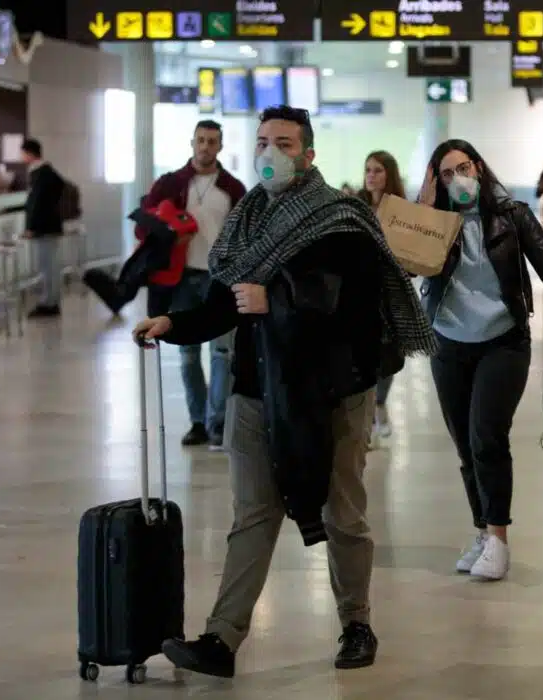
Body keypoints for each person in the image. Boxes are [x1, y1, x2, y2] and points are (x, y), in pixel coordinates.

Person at [133, 105, 436, 677]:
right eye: (263, 141)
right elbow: (226, 303)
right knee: (252, 513)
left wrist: (277, 301)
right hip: (257, 386)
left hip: (332, 391)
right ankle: (221, 640)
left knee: (343, 513)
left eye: (285, 143)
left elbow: (357, 310)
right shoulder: (248, 220)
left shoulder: (342, 220)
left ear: (309, 154)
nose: (271, 152)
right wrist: (173, 323)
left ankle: (356, 624)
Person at [418, 139, 543, 581]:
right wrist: (422, 214)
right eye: (446, 174)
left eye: (462, 168)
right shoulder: (436, 223)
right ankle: (482, 531)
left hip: (503, 341)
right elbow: (408, 265)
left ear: (477, 168)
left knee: (486, 436)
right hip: (448, 343)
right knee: (464, 445)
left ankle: (498, 538)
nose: (457, 179)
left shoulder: (512, 215)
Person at [141, 120, 246, 449]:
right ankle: (198, 422)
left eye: (212, 141)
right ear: (192, 143)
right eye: (200, 140)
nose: (205, 146)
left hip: (221, 279)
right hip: (182, 277)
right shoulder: (170, 184)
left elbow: (245, 234)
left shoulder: (233, 188)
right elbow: (145, 224)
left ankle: (218, 422)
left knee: (222, 353)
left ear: (220, 146)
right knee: (187, 354)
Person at [357, 150, 406, 439]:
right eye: (368, 170)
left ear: (389, 174)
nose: (371, 176)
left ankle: (379, 404)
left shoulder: (401, 211)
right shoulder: (356, 206)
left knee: (388, 354)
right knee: (363, 351)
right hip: (360, 291)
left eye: (377, 170)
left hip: (390, 292)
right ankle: (368, 409)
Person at [21, 139, 65, 318]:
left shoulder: (41, 173)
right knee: (48, 265)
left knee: (48, 266)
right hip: (49, 226)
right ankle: (50, 300)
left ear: (30, 153)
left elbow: (37, 203)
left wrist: (31, 226)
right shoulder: (47, 172)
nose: (22, 157)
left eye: (23, 153)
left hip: (45, 228)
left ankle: (49, 303)